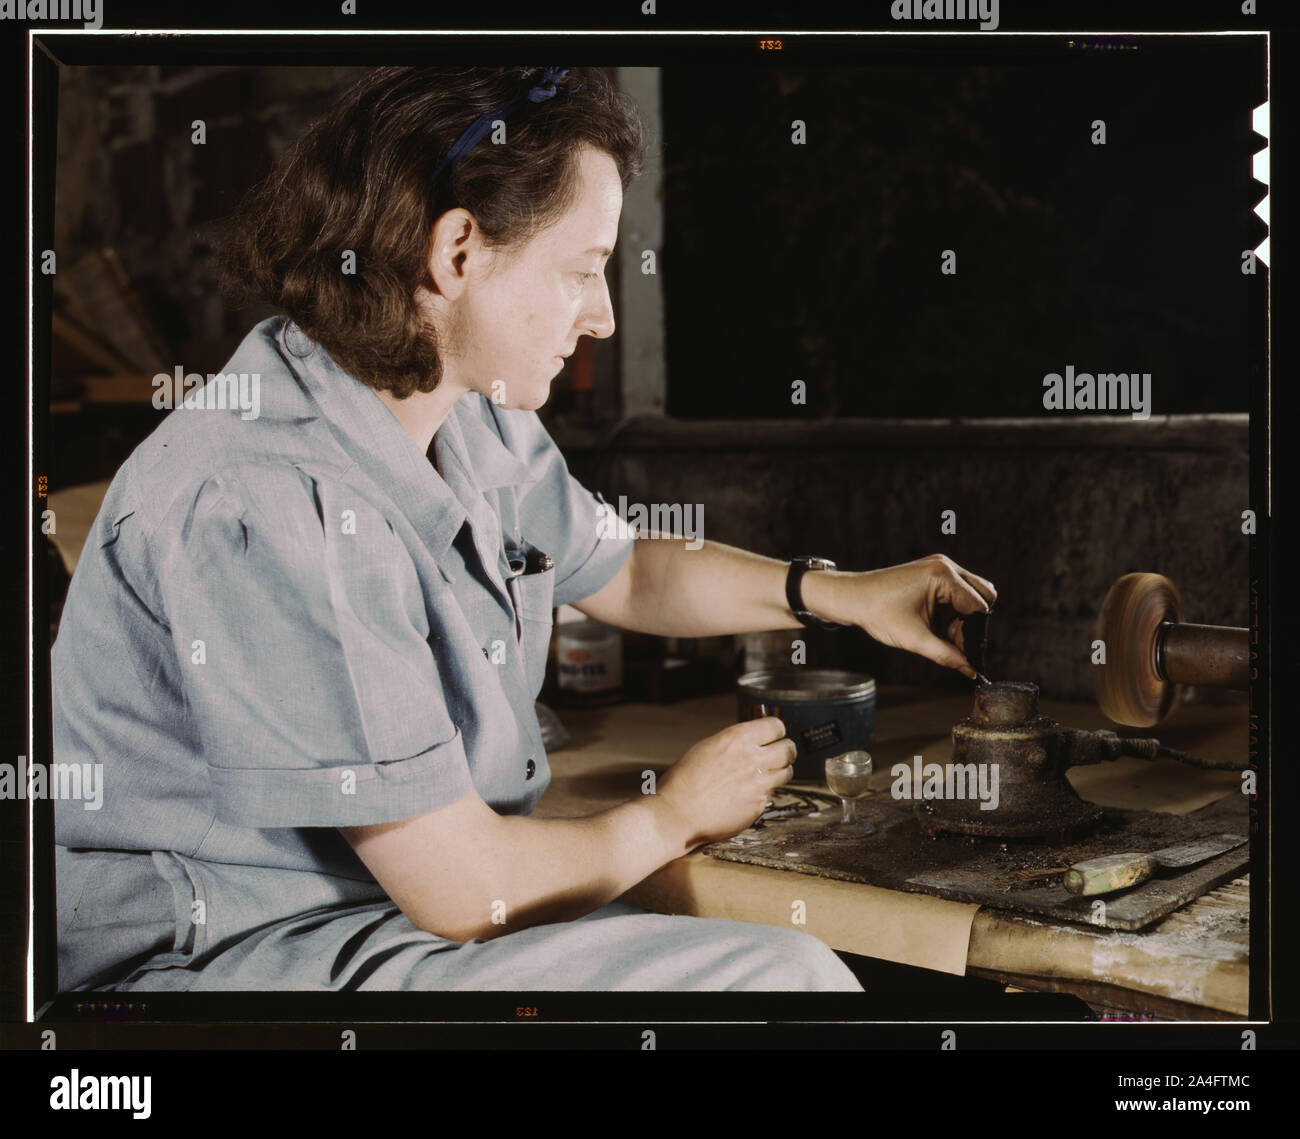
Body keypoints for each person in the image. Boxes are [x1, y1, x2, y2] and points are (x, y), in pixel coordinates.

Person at [51, 66, 995, 992]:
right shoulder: (271, 497)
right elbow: (465, 888)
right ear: (457, 251)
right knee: (780, 982)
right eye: (583, 270)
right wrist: (673, 816)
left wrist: (839, 594)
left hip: (395, 912)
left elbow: (623, 570)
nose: (603, 316)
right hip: (246, 951)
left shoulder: (465, 404)